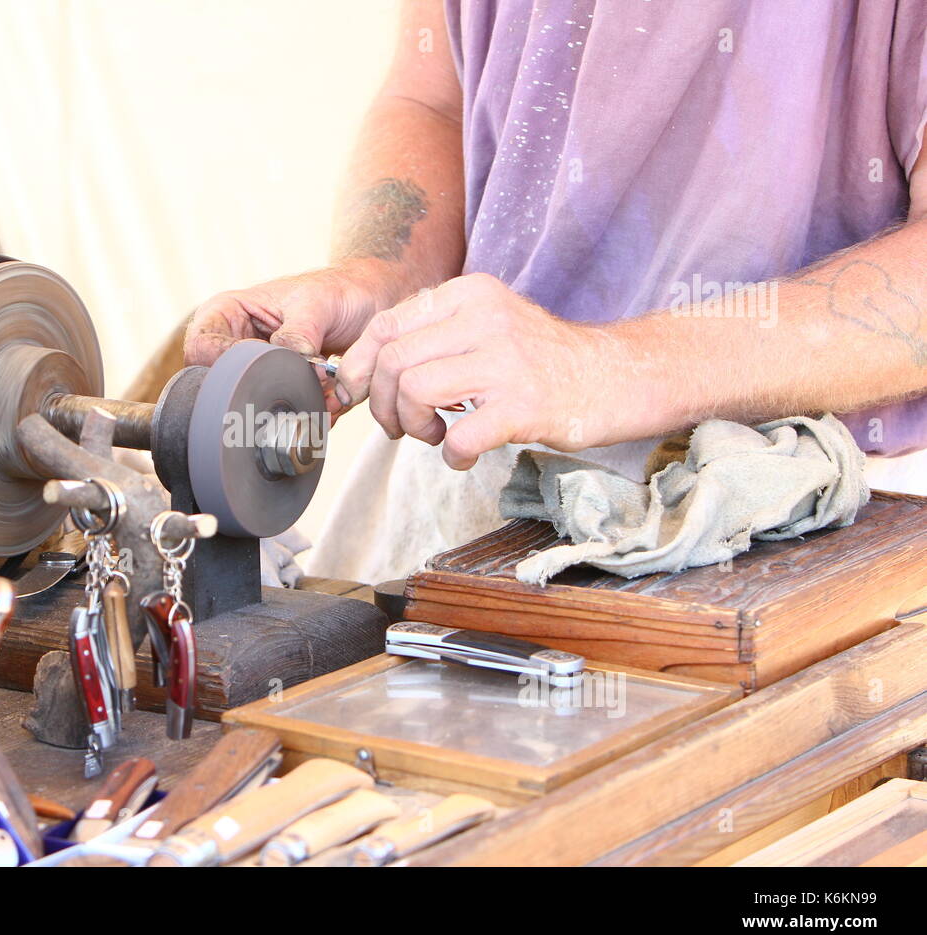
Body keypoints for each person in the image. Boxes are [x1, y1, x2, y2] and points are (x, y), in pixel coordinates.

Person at [184, 0, 927, 583]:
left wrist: (601, 369)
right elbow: (432, 99)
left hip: (806, 520)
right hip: (478, 469)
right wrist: (379, 273)